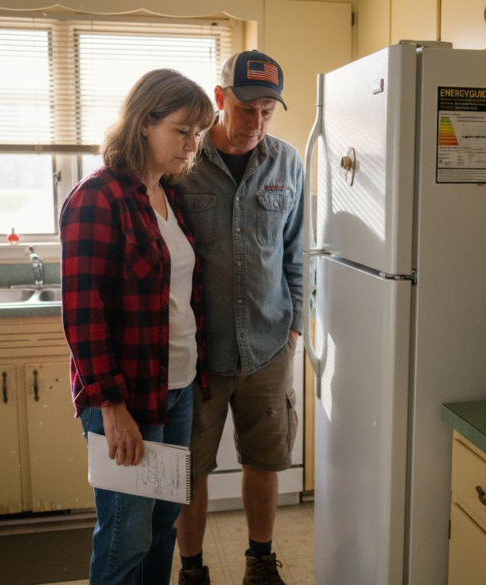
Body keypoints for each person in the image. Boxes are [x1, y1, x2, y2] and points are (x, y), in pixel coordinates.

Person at [60, 69, 215, 585]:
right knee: (124, 538)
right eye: (182, 131)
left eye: (198, 133)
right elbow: (83, 313)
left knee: (162, 524)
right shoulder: (97, 197)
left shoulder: (168, 195)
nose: (192, 144)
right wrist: (112, 408)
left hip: (177, 387)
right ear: (145, 122)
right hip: (127, 396)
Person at [173, 50, 304, 585]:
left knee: (265, 460)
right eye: (246, 108)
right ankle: (193, 571)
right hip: (200, 352)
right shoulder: (183, 162)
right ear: (220, 99)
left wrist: (295, 328)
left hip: (269, 346)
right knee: (189, 469)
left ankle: (260, 562)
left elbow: (296, 253)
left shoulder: (287, 162)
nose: (256, 122)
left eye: (267, 111)